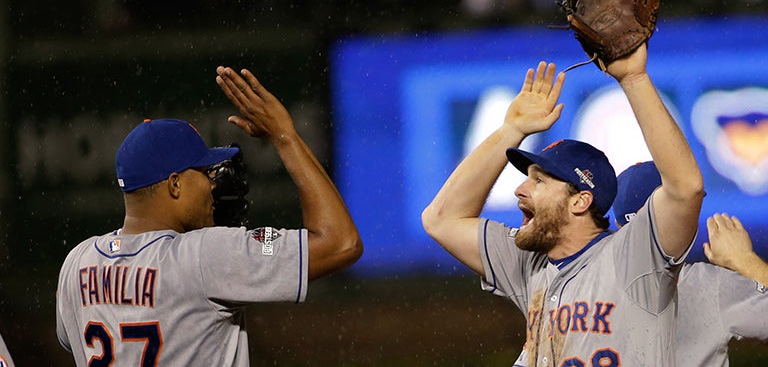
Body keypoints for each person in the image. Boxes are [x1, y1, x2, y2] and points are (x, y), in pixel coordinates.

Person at [55, 66, 363, 366]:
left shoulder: (77, 263)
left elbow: (72, 339)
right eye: (203, 172)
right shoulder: (205, 255)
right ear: (175, 184)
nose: (212, 183)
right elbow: (341, 244)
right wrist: (285, 136)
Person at [422, 44, 704, 366]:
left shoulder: (634, 258)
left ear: (581, 201)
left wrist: (634, 79)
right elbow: (441, 219)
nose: (520, 189)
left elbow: (686, 189)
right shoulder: (530, 264)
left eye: (539, 181)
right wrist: (511, 131)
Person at [611, 161, 768, 366]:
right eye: (689, 206)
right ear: (668, 213)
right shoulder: (706, 284)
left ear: (618, 225)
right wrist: (744, 260)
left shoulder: (588, 280)